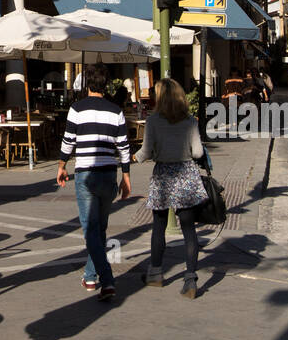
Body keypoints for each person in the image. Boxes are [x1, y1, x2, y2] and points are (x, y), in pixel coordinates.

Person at [57, 63, 130, 301]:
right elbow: (124, 148)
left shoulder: (76, 109)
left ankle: (106, 280)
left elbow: (68, 141)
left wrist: (62, 165)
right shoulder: (115, 111)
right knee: (99, 229)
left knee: (90, 230)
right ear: (106, 84)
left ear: (87, 83)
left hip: (86, 173)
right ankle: (90, 276)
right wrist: (126, 176)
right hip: (109, 174)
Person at [134, 78, 208, 298]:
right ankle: (191, 280)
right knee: (188, 229)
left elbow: (145, 152)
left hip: (164, 176)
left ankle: (156, 273)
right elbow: (198, 153)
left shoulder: (153, 121)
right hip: (186, 174)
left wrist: (133, 158)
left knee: (158, 226)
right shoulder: (189, 121)